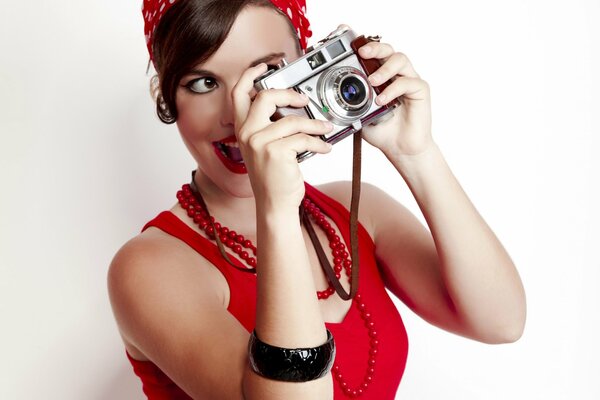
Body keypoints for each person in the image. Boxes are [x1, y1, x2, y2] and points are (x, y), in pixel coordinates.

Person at [107, 1, 527, 399]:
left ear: (307, 69)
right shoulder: (148, 267)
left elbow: (501, 321)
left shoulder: (354, 211)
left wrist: (416, 154)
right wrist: (276, 208)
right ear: (166, 98)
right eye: (203, 83)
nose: (238, 115)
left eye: (266, 74)